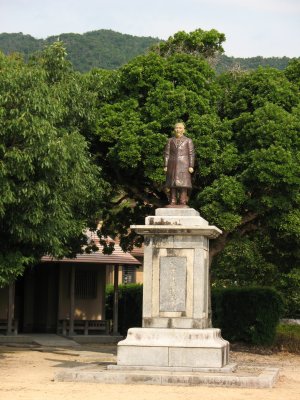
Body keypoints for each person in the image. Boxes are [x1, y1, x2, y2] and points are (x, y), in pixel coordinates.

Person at [164, 122, 195, 206]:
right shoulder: (170, 140)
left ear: (184, 130)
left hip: (184, 165)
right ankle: (172, 201)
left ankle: (182, 201)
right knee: (172, 184)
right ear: (174, 129)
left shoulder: (188, 140)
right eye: (176, 128)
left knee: (183, 184)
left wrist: (191, 166)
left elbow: (191, 154)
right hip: (172, 164)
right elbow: (167, 153)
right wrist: (166, 165)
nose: (178, 130)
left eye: (180, 128)